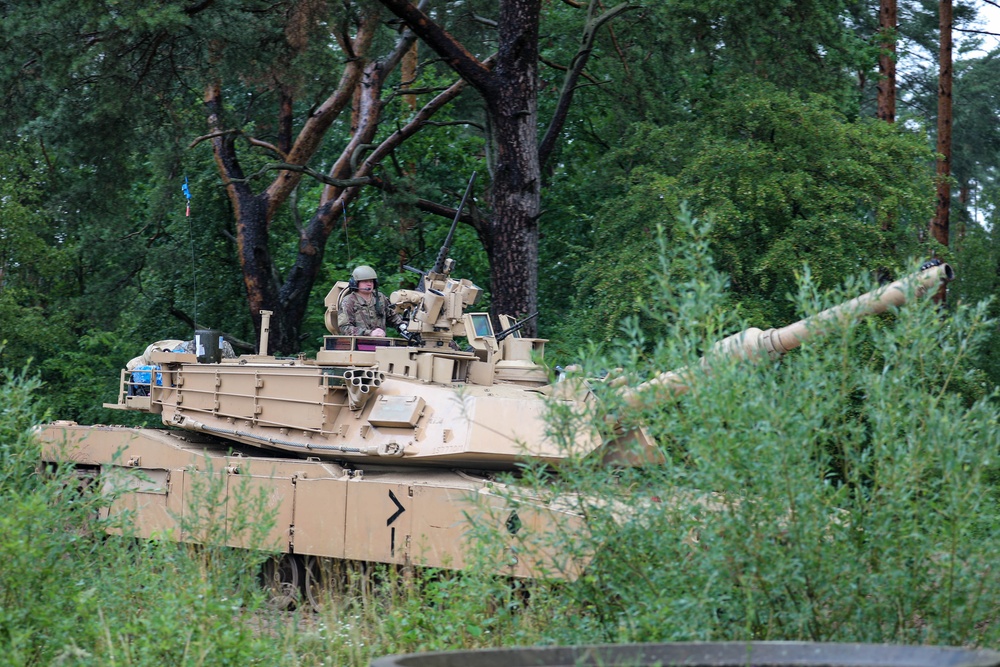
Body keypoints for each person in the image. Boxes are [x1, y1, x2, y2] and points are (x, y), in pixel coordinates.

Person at [338, 265, 405, 337]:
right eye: (365, 281)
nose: (369, 284)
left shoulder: (380, 298)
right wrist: (369, 333)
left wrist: (403, 326)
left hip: (381, 342)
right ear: (355, 283)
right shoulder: (349, 301)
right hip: (358, 343)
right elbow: (344, 328)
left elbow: (393, 316)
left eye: (371, 281)